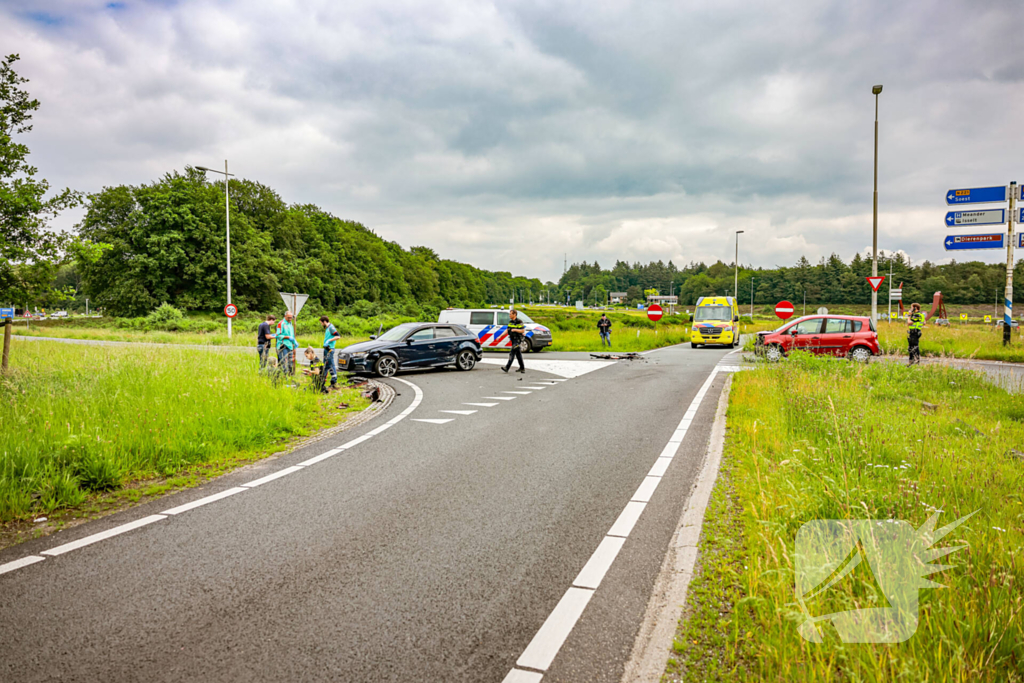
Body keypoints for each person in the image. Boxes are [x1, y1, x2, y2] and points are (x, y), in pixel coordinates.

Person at [502, 309, 527, 374]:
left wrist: (515, 330)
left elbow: (522, 330)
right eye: (509, 314)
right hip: (513, 340)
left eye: (510, 314)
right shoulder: (510, 322)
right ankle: (522, 368)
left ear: (514, 314)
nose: (509, 315)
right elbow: (507, 330)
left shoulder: (519, 321)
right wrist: (500, 336)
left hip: (517, 340)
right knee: (518, 354)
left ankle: (507, 367)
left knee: (512, 353)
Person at [320, 315, 340, 391]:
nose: (321, 324)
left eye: (321, 322)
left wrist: (329, 341)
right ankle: (322, 380)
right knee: (325, 364)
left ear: (324, 321)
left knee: (330, 364)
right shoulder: (328, 328)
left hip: (330, 348)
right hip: (326, 348)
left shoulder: (331, 327)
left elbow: (338, 336)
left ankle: (334, 380)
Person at [274, 310, 298, 375]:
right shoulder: (281, 323)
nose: (290, 319)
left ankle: (290, 376)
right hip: (283, 345)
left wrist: (294, 343)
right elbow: (278, 335)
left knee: (290, 362)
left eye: (291, 317)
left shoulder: (290, 324)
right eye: (288, 317)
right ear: (285, 316)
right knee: (284, 362)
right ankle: (284, 377)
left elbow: (292, 335)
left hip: (290, 346)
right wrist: (287, 337)